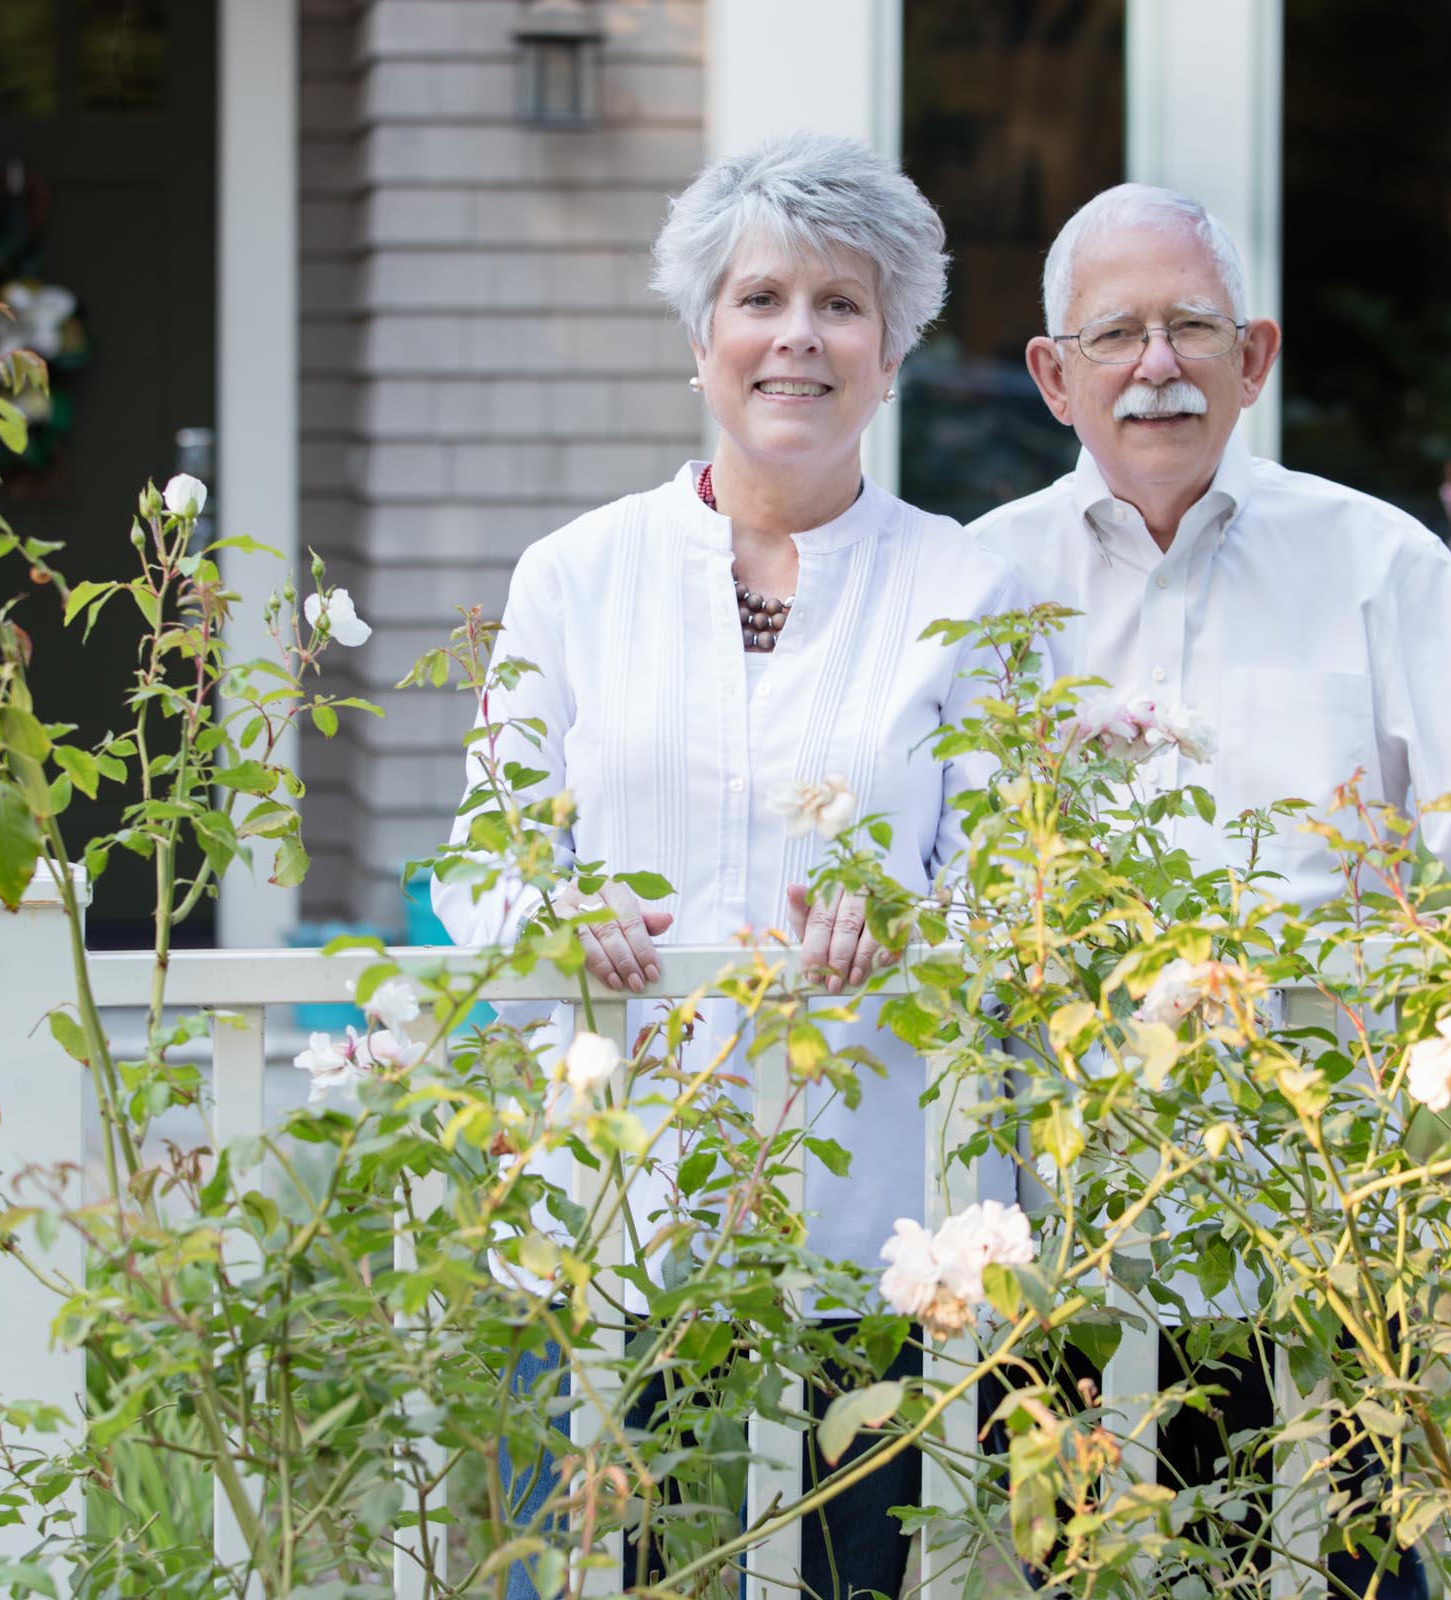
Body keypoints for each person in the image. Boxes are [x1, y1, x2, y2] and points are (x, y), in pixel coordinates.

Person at [969, 183, 1451, 1596]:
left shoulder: (1373, 559)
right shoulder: (981, 582)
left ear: (1253, 357)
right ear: (1051, 372)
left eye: (1192, 327)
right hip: (1074, 1229)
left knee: (1357, 1571)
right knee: (1104, 1577)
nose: (1157, 365)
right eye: (1116, 333)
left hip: (1324, 1223)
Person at [434, 131, 1023, 1600]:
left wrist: (909, 917)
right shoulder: (576, 575)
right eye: (762, 298)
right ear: (701, 337)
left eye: (842, 304)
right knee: (591, 1580)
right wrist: (552, 910)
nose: (798, 339)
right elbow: (482, 864)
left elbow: (1017, 874)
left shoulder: (968, 583)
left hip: (874, 1226)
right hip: (609, 1213)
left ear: (893, 351)